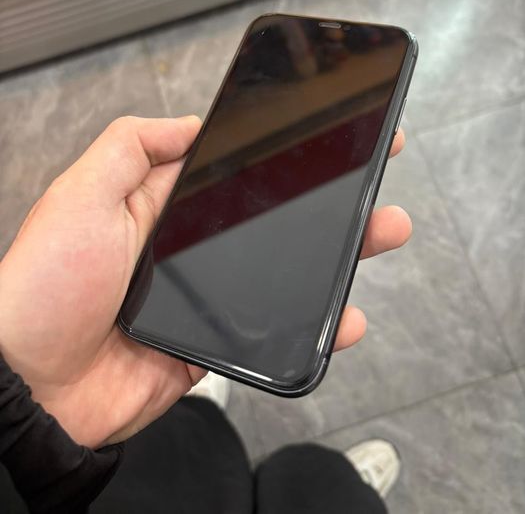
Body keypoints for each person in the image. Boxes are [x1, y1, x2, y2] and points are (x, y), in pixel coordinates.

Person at [0, 116, 412, 513]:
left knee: (184, 452)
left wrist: (28, 406)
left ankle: (201, 415)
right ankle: (341, 486)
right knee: (326, 493)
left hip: (50, 480)